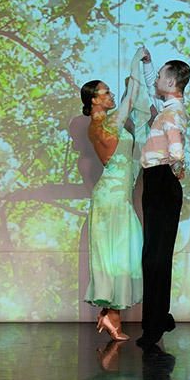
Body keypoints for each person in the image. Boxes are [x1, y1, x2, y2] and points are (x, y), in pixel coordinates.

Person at [80, 52, 149, 341]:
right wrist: (136, 62)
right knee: (117, 255)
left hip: (115, 196)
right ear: (94, 100)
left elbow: (126, 102)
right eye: (106, 92)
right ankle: (111, 316)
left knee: (119, 254)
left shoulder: (103, 123)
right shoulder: (104, 126)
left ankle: (110, 315)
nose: (110, 96)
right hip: (112, 199)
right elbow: (130, 99)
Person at [137, 49, 190, 348]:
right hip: (158, 182)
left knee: (155, 257)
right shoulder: (169, 107)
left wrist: (176, 169)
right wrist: (148, 65)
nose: (156, 79)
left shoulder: (171, 114)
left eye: (160, 76)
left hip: (161, 181)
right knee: (154, 255)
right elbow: (152, 88)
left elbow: (176, 149)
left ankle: (155, 325)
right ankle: (158, 319)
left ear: (171, 83)